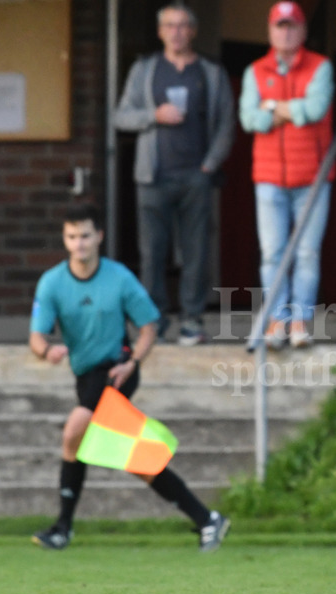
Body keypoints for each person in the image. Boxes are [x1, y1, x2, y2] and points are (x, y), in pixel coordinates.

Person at [29, 204, 230, 552]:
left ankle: (63, 528)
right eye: (72, 237)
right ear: (65, 239)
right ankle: (207, 519)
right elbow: (36, 336)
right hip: (85, 375)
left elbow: (150, 326)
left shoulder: (119, 277)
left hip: (117, 371)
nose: (79, 244)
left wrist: (133, 361)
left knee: (74, 430)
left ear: (99, 237)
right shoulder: (52, 282)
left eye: (86, 236)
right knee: (138, 460)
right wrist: (47, 351)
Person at [114, 2, 235, 346]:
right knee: (152, 252)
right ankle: (154, 322)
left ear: (193, 32)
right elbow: (121, 116)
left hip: (196, 175)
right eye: (170, 25)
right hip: (152, 176)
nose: (177, 31)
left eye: (183, 26)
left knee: (196, 253)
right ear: (160, 31)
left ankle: (191, 320)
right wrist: (155, 114)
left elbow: (226, 123)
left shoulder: (209, 73)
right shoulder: (145, 69)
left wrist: (210, 164)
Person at [239, 1, 335, 349]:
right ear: (270, 31)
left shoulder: (320, 66)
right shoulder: (255, 70)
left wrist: (271, 106)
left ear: (302, 31)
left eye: (292, 25)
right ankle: (277, 320)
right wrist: (287, 111)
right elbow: (251, 120)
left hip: (313, 175)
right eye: (280, 26)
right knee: (273, 253)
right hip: (268, 176)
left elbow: (314, 110)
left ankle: (300, 323)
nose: (286, 31)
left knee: (307, 252)